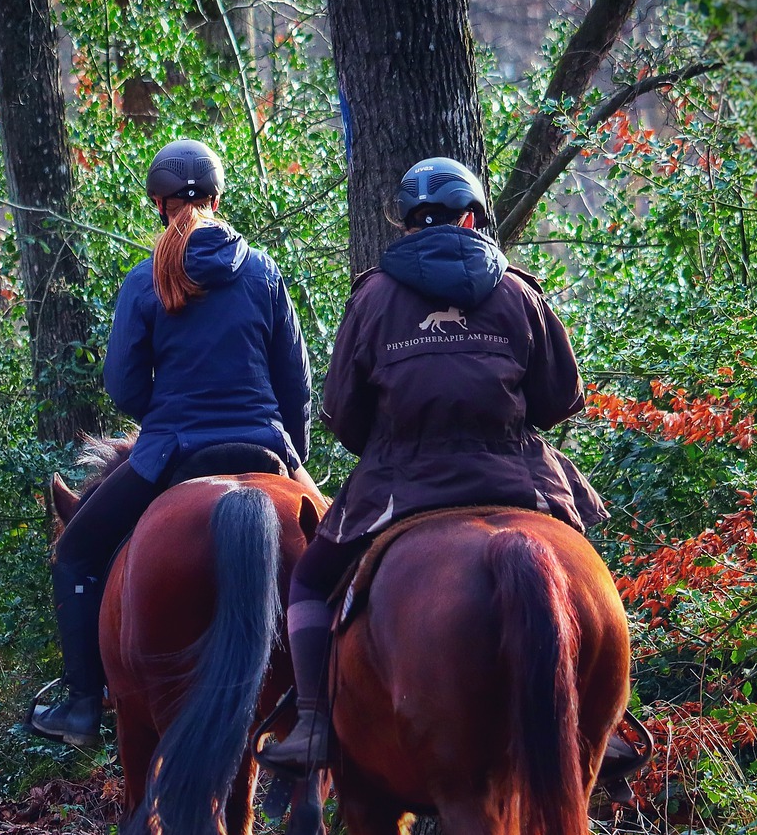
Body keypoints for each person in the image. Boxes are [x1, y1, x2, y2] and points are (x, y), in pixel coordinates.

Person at [257, 156, 608, 774]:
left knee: (311, 579)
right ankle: (606, 716)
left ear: (407, 223)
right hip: (515, 475)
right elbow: (559, 402)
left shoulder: (372, 296)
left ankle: (312, 720)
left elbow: (343, 414)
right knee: (584, 570)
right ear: (471, 217)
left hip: (404, 479)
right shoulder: (520, 290)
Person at [29, 139, 313, 743]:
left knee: (77, 551)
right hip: (265, 448)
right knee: (350, 552)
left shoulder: (146, 278)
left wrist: (163, 416)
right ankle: (338, 700)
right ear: (218, 197)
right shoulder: (263, 272)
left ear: (158, 204)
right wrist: (294, 454)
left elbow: (124, 384)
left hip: (172, 453)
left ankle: (82, 705)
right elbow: (296, 381)